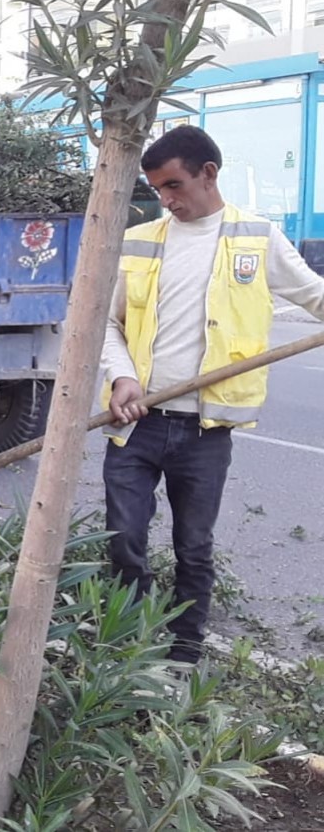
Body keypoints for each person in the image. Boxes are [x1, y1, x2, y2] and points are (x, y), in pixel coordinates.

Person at [101, 124, 324, 664]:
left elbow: (314, 295)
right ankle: (129, 643)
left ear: (208, 174)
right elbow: (108, 324)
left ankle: (183, 653)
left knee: (193, 548)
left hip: (205, 429)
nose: (166, 200)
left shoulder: (256, 236)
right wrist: (122, 378)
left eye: (173, 185)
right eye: (158, 190)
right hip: (138, 421)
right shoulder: (141, 240)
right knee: (122, 538)